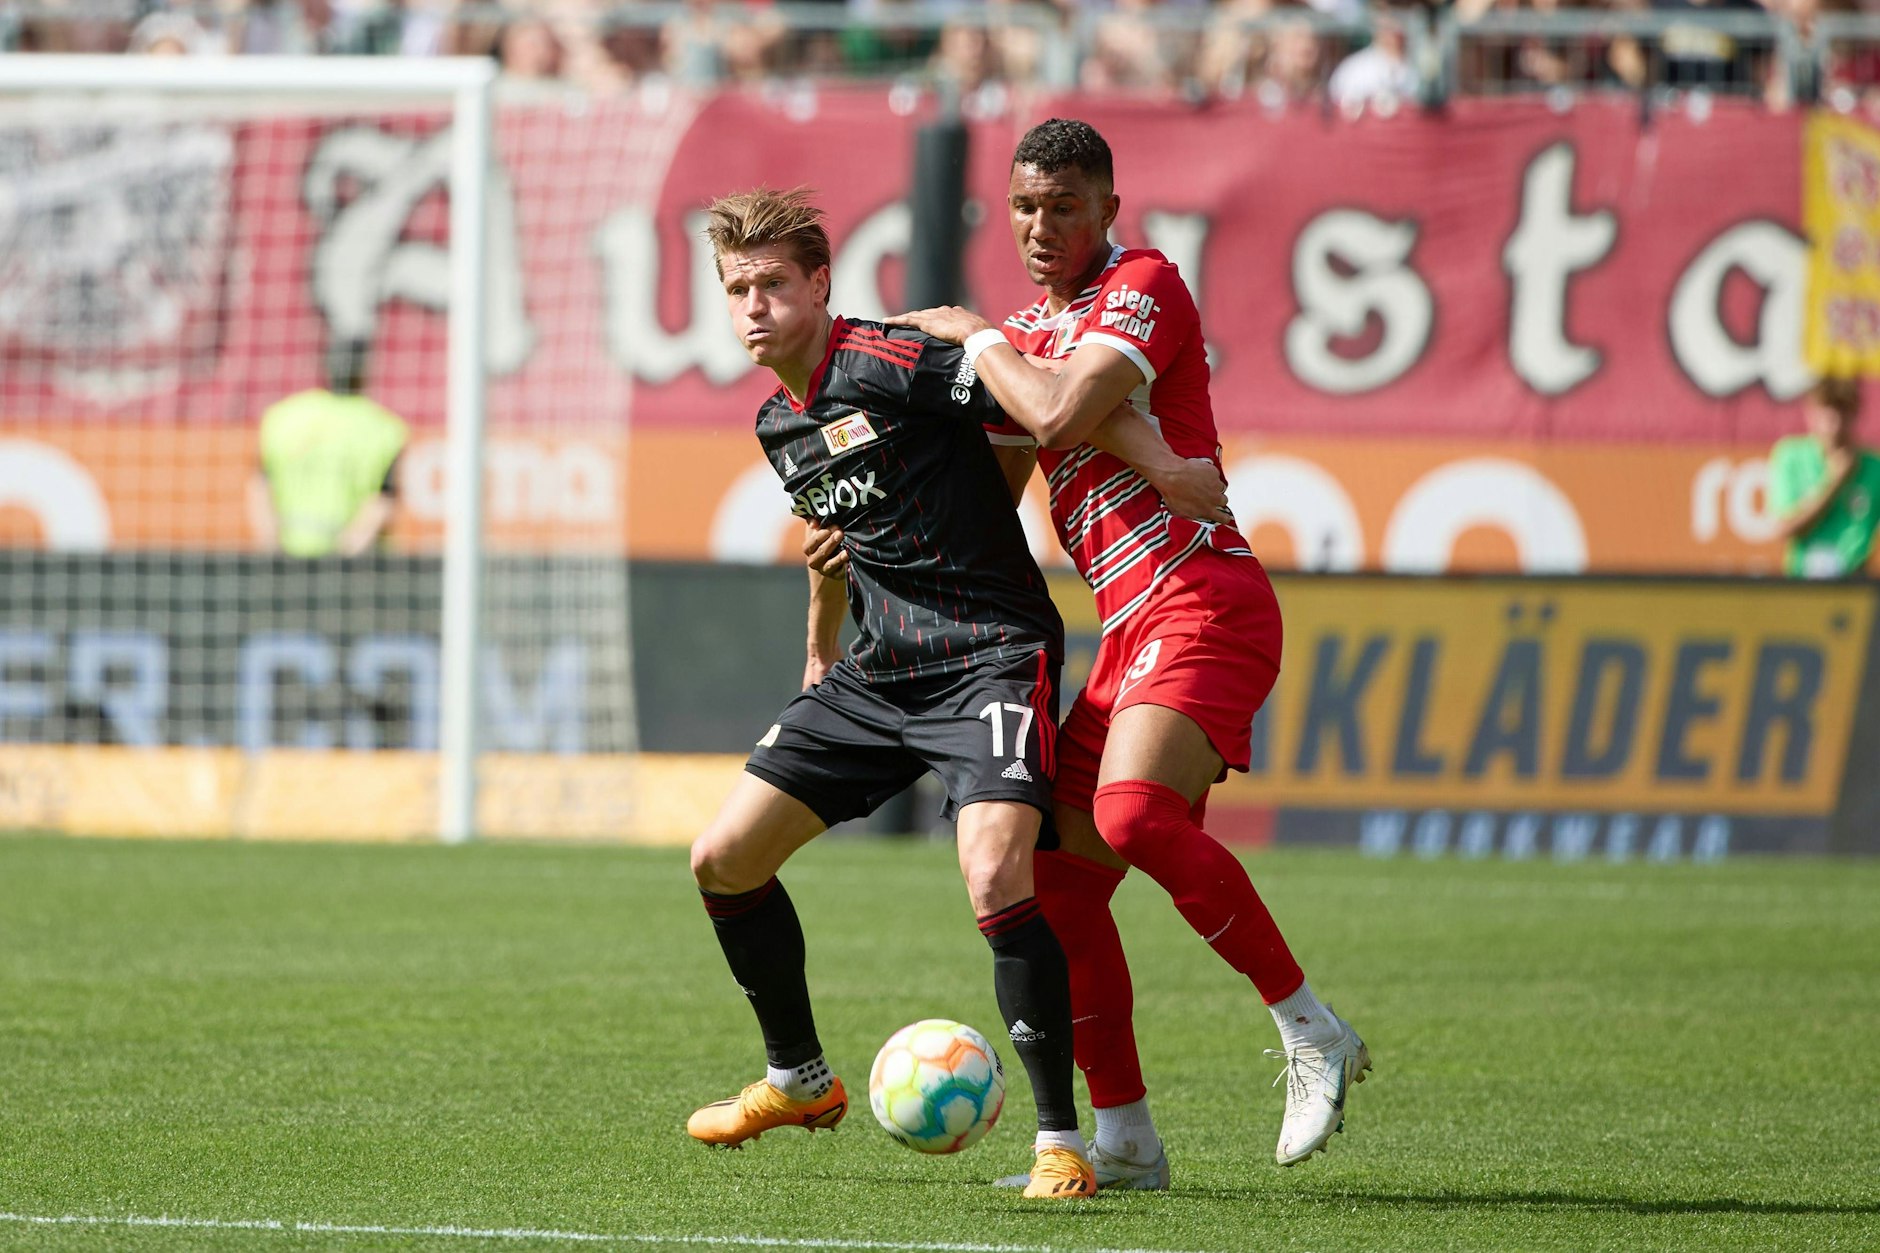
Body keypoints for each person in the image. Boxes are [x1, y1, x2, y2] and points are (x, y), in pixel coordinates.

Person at [683, 186, 1225, 1199]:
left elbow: (1047, 405)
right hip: (877, 670)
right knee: (721, 855)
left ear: (818, 285)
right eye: (734, 289)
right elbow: (833, 538)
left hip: (984, 653)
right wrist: (816, 651)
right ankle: (797, 1075)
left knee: (993, 873)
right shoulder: (775, 418)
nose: (751, 305)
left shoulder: (890, 359)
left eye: (769, 284)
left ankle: (1060, 1141)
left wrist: (1162, 459)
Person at [877, 118, 1372, 1187]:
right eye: (1022, 207)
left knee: (1130, 813)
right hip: (1125, 628)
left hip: (1202, 593)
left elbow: (1053, 406)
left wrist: (975, 337)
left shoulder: (1143, 283)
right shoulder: (1024, 330)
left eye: (1063, 206)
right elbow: (1005, 473)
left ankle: (1308, 1025)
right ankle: (1126, 1138)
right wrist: (878, 515)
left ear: (1107, 208)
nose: (1041, 226)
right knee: (1055, 882)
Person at [248, 338, 407, 558]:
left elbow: (260, 490)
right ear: (365, 371)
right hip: (352, 566)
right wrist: (345, 557)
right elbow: (382, 503)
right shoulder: (384, 429)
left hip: (288, 558)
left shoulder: (283, 417)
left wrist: (272, 549)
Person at [1770, 375, 1880, 578]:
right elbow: (1786, 527)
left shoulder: (1875, 468)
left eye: (1842, 415)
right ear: (1811, 415)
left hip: (1856, 586)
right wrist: (1835, 482)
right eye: (1827, 417)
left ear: (1854, 415)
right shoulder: (1790, 457)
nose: (1834, 426)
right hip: (1802, 584)